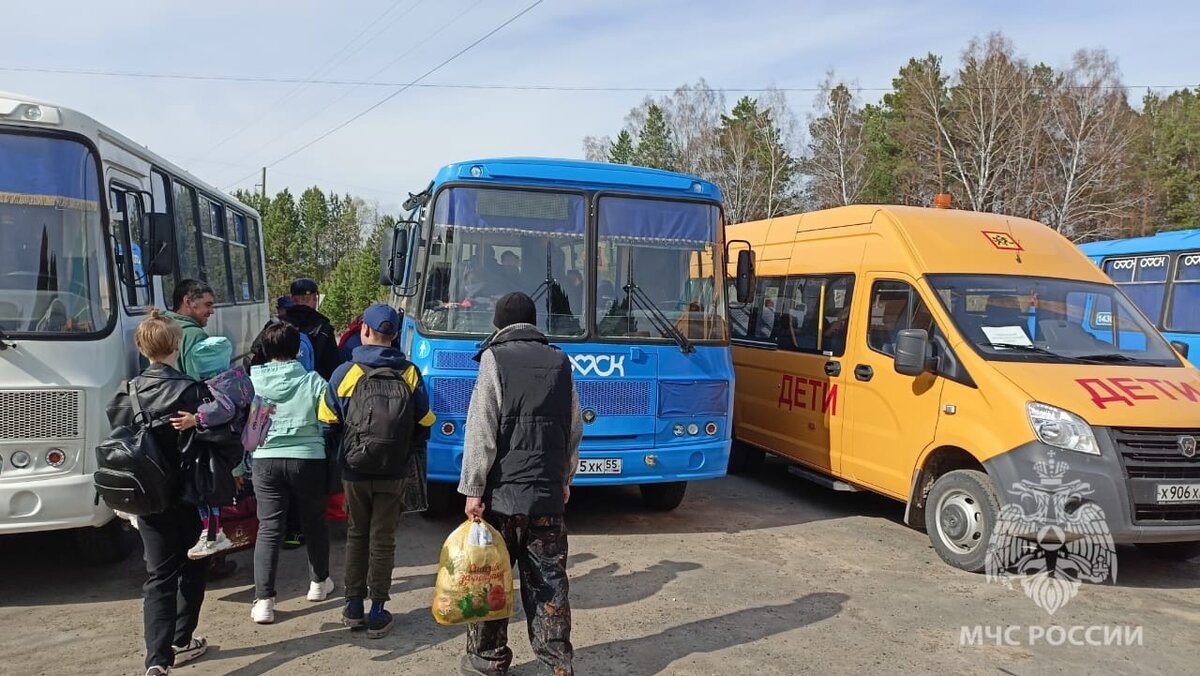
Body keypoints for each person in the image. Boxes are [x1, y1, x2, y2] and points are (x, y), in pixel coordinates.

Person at [458, 292, 582, 676]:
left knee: (490, 581)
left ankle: (487, 662)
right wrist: (565, 477)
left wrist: (473, 489)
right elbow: (573, 427)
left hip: (502, 499)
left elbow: (482, 430)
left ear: (498, 325)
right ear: (535, 322)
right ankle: (556, 665)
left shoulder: (495, 359)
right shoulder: (561, 361)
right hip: (546, 497)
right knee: (550, 586)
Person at [106, 309, 214, 675]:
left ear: (142, 346)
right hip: (184, 493)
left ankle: (157, 661)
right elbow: (210, 439)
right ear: (176, 344)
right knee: (193, 566)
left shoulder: (126, 391)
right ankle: (182, 639)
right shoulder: (189, 390)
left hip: (145, 497)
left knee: (159, 576)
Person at [319, 303, 435, 638]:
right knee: (383, 539)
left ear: (364, 332)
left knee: (357, 534)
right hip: (395, 470)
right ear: (396, 334)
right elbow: (425, 420)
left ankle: (353, 606)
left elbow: (327, 421)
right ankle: (378, 611)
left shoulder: (346, 372)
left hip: (354, 469)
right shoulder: (410, 373)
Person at [248, 322, 335, 624]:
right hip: (307, 458)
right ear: (298, 350)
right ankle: (318, 583)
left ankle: (264, 601)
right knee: (314, 522)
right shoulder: (312, 380)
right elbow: (331, 415)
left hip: (265, 459)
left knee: (269, 528)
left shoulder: (252, 382)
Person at [168, 336, 255, 560]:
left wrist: (195, 419)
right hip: (242, 443)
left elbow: (223, 410)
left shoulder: (215, 386)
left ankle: (213, 533)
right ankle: (214, 533)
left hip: (225, 448)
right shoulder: (239, 378)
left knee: (207, 492)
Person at [286, 277, 341, 379]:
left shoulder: (276, 325)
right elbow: (333, 366)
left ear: (292, 299)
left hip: (281, 387)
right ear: (315, 298)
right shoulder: (324, 328)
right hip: (316, 387)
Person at [164, 279, 215, 380]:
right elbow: (201, 384)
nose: (212, 311)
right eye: (207, 305)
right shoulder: (195, 336)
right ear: (188, 302)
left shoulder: (154, 330)